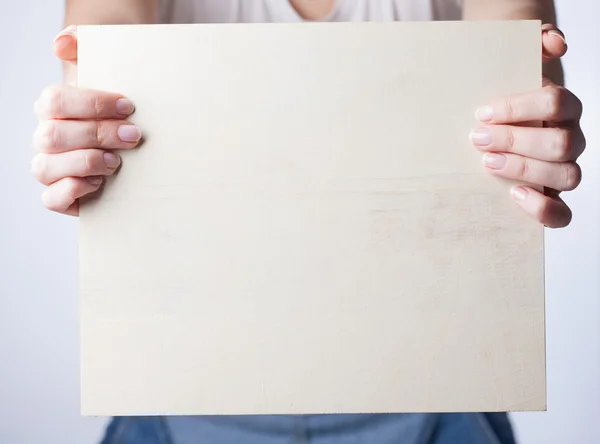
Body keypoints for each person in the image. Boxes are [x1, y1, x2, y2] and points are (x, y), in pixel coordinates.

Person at [32, 1, 585, 443]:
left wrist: (530, 117)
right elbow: (105, 38)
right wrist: (87, 116)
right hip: (181, 391)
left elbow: (514, 44)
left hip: (437, 390)